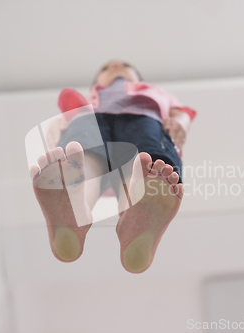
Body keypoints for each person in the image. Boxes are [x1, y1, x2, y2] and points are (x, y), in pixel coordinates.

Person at [29, 60, 196, 273]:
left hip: (143, 117)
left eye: (125, 66)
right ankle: (76, 203)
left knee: (142, 165)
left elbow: (181, 112)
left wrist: (181, 121)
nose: (116, 66)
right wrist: (61, 123)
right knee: (83, 155)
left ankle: (133, 215)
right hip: (92, 118)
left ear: (139, 79)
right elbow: (65, 115)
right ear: (95, 84)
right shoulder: (86, 102)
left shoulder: (156, 93)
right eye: (105, 69)